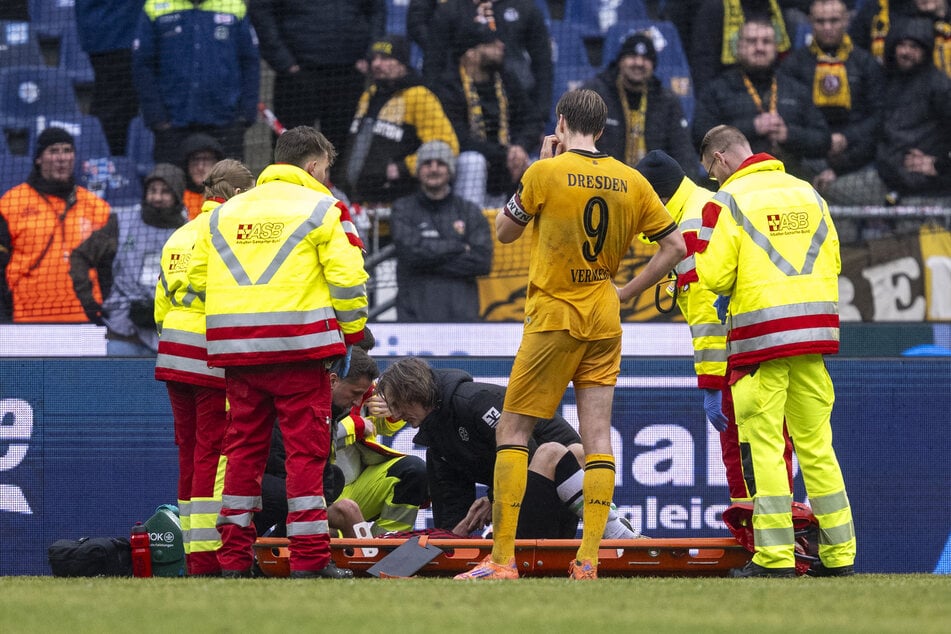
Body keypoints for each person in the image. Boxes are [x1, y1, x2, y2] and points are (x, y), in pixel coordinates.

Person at [454, 89, 686, 581]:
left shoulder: (546, 172)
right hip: (604, 316)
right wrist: (626, 292)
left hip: (554, 317)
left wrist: (537, 169)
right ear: (602, 129)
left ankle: (502, 560)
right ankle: (588, 559)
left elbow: (505, 232)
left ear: (561, 122)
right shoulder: (633, 180)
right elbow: (675, 246)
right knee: (597, 436)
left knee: (512, 432)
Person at [186, 126, 368, 579]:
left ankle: (232, 561)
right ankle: (310, 560)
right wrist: (351, 334)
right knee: (305, 456)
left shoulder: (225, 213)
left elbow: (196, 281)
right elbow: (349, 282)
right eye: (325, 170)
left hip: (239, 356)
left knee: (242, 455)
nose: (326, 178)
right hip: (300, 352)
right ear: (313, 166)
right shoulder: (323, 209)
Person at [694, 124, 856, 578]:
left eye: (711, 171)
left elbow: (714, 276)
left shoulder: (726, 201)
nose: (713, 179)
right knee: (817, 446)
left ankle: (775, 557)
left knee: (765, 446)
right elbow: (835, 260)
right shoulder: (808, 193)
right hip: (812, 338)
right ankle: (839, 554)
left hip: (760, 341)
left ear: (720, 158)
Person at [635, 149, 795, 504]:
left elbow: (708, 316)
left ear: (658, 199)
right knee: (770, 448)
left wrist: (711, 384)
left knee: (744, 456)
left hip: (737, 359)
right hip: (762, 344)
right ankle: (777, 528)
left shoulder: (689, 229)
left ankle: (758, 533)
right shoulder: (703, 202)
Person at [375, 357, 642, 541]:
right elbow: (451, 506)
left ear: (413, 392)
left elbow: (526, 452)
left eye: (397, 405)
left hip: (560, 483)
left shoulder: (474, 402)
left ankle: (612, 528)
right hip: (523, 499)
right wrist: (449, 541)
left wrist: (494, 499)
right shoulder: (436, 438)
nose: (395, 416)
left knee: (555, 452)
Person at [153, 158, 254, 576]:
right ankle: (206, 556)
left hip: (173, 351)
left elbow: (160, 305)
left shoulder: (179, 234)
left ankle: (192, 552)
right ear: (236, 193)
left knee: (190, 452)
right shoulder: (229, 230)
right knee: (214, 452)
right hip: (209, 352)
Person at [256, 347, 429, 539]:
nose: (357, 401)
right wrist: (354, 426)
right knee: (305, 490)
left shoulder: (361, 388)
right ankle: (282, 541)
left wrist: (392, 411)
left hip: (346, 486)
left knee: (413, 470)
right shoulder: (306, 394)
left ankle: (387, 544)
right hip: (311, 493)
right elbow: (302, 446)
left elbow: (383, 426)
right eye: (356, 351)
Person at [248, 0, 386, 185]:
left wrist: (368, 55)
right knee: (292, 149)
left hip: (347, 72)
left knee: (341, 149)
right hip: (298, 74)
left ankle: (336, 198)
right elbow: (261, 12)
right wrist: (284, 62)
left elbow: (377, 10)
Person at [70, 163, 188, 356]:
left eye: (165, 192)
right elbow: (80, 255)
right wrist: (89, 303)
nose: (157, 197)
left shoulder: (190, 231)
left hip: (170, 335)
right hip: (123, 332)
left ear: (177, 195)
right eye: (152, 191)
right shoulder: (122, 222)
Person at [692, 18, 832, 179]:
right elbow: (700, 138)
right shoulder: (717, 89)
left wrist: (788, 134)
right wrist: (753, 127)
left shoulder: (796, 89)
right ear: (738, 47)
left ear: (776, 47)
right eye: (752, 41)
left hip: (789, 180)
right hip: (736, 181)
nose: (759, 48)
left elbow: (824, 140)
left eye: (766, 42)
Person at [0, 127, 111, 323]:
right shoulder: (11, 204)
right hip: (26, 320)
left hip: (85, 321)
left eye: (67, 150)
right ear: (38, 159)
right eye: (53, 151)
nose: (62, 158)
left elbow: (107, 269)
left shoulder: (97, 208)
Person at [778, 0, 884, 204]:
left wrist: (846, 138)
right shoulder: (793, 65)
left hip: (858, 157)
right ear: (810, 22)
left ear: (846, 20)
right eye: (820, 21)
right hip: (808, 156)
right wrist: (823, 141)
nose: (827, 27)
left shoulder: (865, 63)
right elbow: (789, 117)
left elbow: (877, 116)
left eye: (834, 20)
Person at [131, 0, 260, 164]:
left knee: (227, 180)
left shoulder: (234, 5)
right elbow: (142, 65)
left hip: (226, 124)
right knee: (171, 179)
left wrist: (245, 115)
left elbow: (250, 62)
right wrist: (158, 119)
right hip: (172, 126)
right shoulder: (155, 6)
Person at [431, 22, 543, 209]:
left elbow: (532, 120)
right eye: (491, 43)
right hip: (465, 168)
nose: (501, 46)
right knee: (473, 161)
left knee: (541, 168)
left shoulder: (507, 79)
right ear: (471, 54)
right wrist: (504, 154)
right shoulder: (449, 86)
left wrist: (520, 147)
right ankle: (468, 221)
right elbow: (459, 138)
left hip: (507, 164)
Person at [342, 35, 459, 207]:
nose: (376, 64)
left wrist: (402, 168)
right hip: (358, 203)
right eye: (374, 58)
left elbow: (446, 146)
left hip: (398, 202)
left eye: (385, 58)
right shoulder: (369, 95)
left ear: (402, 64)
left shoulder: (419, 96)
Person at [389, 141, 494, 323]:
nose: (434, 169)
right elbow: (409, 254)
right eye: (427, 164)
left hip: (461, 319)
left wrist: (426, 261)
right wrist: (458, 247)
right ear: (418, 170)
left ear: (450, 170)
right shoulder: (403, 209)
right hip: (414, 318)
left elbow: (482, 262)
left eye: (440, 163)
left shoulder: (469, 211)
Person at [581, 31, 700, 180]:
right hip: (604, 181)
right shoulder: (595, 94)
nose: (638, 63)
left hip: (652, 185)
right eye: (632, 57)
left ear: (653, 66)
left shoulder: (666, 100)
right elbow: (578, 142)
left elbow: (683, 152)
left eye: (645, 59)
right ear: (620, 61)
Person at [425, 0, 553, 123]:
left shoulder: (525, 7)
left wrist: (542, 112)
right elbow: (433, 61)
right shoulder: (451, 9)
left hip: (516, 103)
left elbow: (542, 62)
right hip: (459, 100)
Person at [874, 17, 951, 205]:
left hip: (927, 186)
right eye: (901, 45)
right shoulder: (886, 79)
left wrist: (939, 164)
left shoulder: (939, 86)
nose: (906, 52)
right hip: (884, 176)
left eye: (914, 47)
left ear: (926, 50)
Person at [74, 0, 145, 156]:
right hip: (114, 35)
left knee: (116, 104)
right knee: (114, 107)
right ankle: (105, 158)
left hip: (114, 32)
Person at [688, 0, 792, 95]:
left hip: (772, 89)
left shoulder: (775, 8)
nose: (759, 47)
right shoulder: (715, 8)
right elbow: (703, 62)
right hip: (727, 92)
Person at [179, 134, 226, 221]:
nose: (200, 167)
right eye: (195, 160)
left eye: (207, 159)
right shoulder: (177, 198)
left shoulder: (229, 195)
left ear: (217, 163)